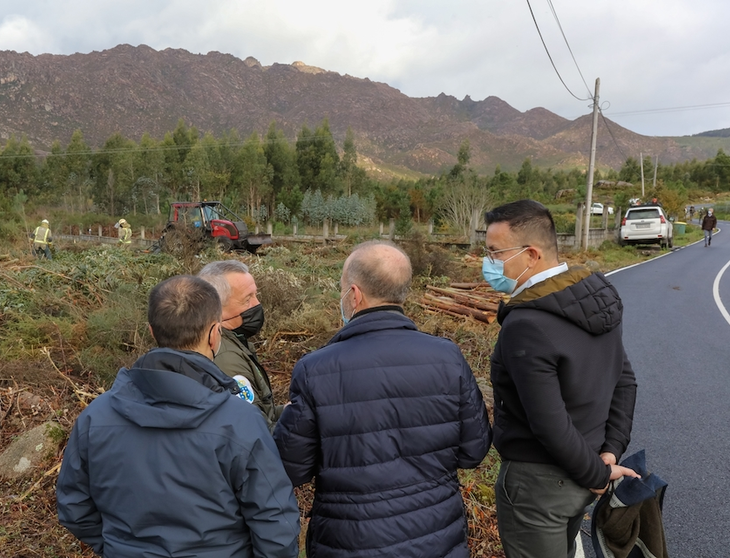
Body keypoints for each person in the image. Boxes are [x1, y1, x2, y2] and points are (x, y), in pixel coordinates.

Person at [273, 240, 492, 558]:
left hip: (351, 541)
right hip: (436, 538)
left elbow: (291, 466)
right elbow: (474, 451)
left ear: (354, 294)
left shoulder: (315, 369)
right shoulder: (448, 357)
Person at [56, 275, 300, 558]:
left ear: (152, 331)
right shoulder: (240, 422)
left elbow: (74, 507)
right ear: (214, 333)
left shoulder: (95, 418)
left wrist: (118, 547)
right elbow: (275, 524)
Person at [482, 200, 639, 558]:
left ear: (531, 254)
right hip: (588, 468)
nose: (488, 262)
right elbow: (624, 381)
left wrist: (598, 477)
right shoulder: (593, 301)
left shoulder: (525, 325)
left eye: (495, 252)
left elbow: (548, 423)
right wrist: (609, 453)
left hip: (539, 485)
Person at [199, 260, 284, 430]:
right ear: (218, 310)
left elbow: (259, 411)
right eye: (247, 300)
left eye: (255, 295)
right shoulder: (226, 358)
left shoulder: (234, 342)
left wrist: (290, 411)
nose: (257, 304)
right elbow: (256, 431)